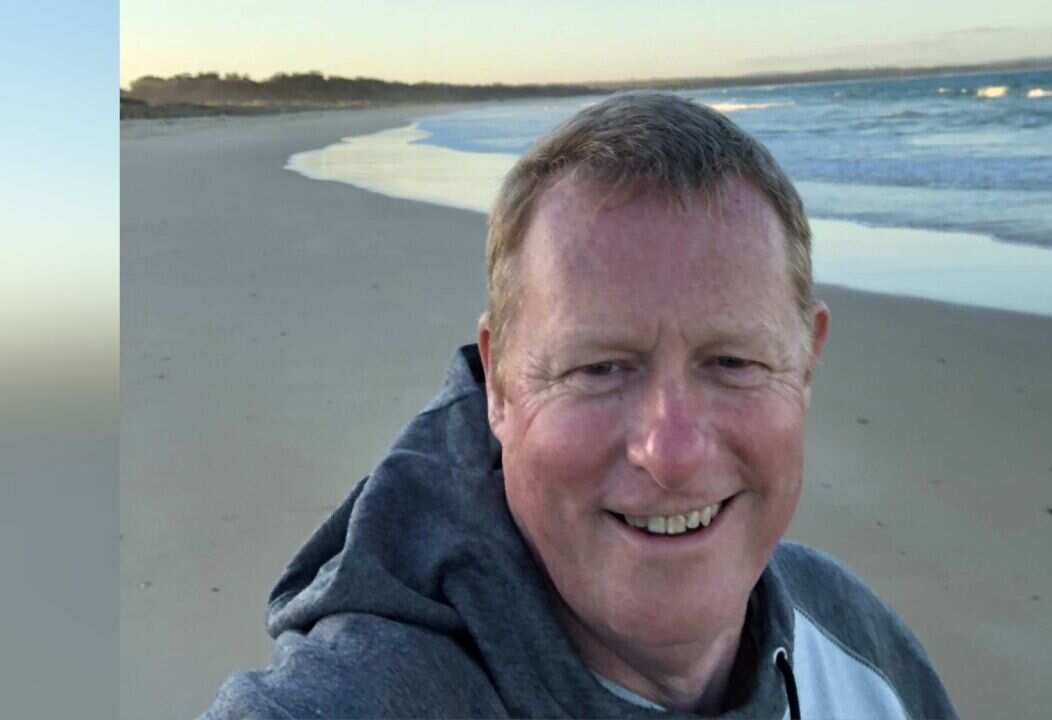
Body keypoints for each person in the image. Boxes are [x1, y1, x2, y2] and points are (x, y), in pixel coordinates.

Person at [203, 93, 956, 719]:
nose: (671, 452)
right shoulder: (355, 700)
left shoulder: (859, 648)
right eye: (600, 368)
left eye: (733, 362)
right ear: (499, 383)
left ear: (807, 362)